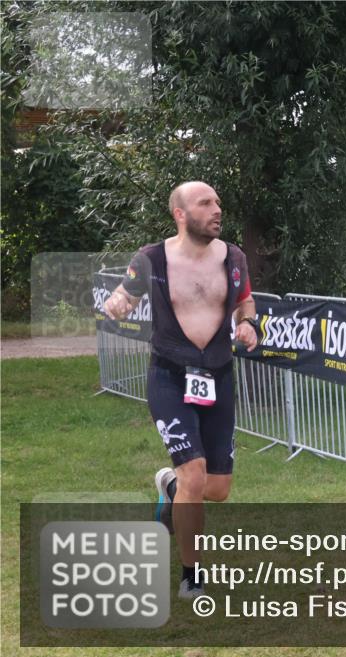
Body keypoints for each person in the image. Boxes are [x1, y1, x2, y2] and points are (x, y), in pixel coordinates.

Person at [103, 181, 259, 599]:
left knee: (217, 489)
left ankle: (169, 487)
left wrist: (248, 323)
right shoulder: (152, 258)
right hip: (170, 376)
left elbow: (246, 301)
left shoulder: (234, 257)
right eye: (205, 203)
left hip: (219, 376)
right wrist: (115, 305)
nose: (216, 209)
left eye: (218, 203)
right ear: (180, 214)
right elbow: (125, 295)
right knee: (195, 477)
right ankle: (192, 574)